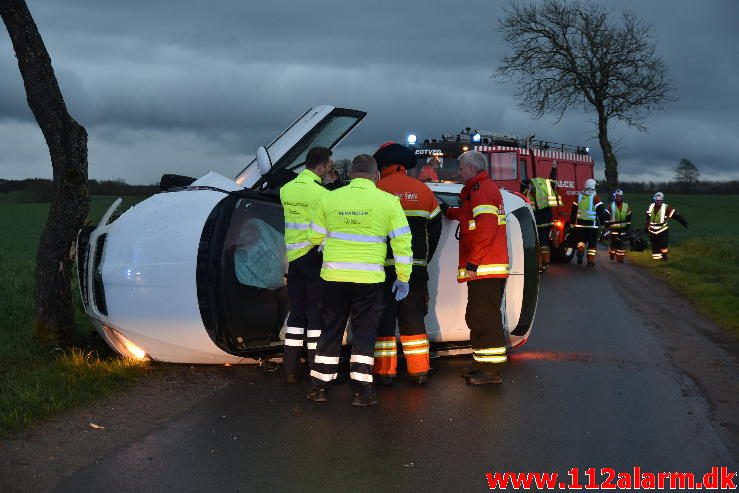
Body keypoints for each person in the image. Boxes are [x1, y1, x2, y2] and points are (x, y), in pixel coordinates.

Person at [307, 154, 413, 406]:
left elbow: (313, 236)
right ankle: (362, 391)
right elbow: (402, 243)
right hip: (369, 280)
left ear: (351, 174)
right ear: (376, 176)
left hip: (333, 278)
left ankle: (320, 387)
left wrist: (327, 242)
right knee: (364, 331)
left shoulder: (329, 198)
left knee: (331, 329)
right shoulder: (388, 202)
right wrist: (403, 277)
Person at [373, 142, 442, 385]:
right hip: (414, 269)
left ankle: (385, 372)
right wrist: (423, 260)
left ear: (383, 166)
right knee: (413, 319)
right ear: (404, 166)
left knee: (384, 320)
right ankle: (419, 371)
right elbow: (435, 231)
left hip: (381, 270)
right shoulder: (423, 191)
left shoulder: (376, 190)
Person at [444, 150, 509, 385]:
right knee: (478, 316)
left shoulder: (481, 191)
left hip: (486, 266)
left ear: (471, 168)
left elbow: (486, 229)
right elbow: (468, 217)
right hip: (487, 267)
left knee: (485, 318)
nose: (459, 172)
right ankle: (481, 363)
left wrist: (474, 261)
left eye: (461, 168)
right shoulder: (477, 191)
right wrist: (447, 211)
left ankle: (491, 371)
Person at [279, 147, 334, 382]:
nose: (328, 170)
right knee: (315, 313)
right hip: (313, 256)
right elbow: (326, 227)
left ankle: (290, 369)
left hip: (293, 259)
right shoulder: (322, 194)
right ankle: (314, 367)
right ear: (320, 167)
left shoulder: (286, 190)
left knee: (296, 314)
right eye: (328, 167)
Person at [522, 161, 561, 271]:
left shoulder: (527, 192)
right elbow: (552, 181)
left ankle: (537, 264)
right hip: (546, 222)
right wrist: (553, 168)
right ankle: (545, 263)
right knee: (544, 243)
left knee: (536, 243)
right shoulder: (546, 191)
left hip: (534, 223)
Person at [570, 178, 608, 267]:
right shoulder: (596, 198)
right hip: (592, 226)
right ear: (593, 187)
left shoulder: (579, 197)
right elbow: (600, 212)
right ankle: (590, 261)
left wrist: (572, 222)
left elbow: (573, 211)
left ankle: (580, 252)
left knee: (581, 241)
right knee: (592, 244)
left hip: (579, 225)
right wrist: (602, 224)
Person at [646, 192, 687, 261]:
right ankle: (657, 259)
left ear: (662, 200)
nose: (658, 201)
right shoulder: (651, 206)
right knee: (654, 245)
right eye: (657, 200)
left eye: (660, 200)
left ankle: (664, 256)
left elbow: (675, 215)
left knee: (663, 244)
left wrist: (682, 221)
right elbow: (648, 217)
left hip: (662, 229)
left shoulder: (666, 207)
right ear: (654, 199)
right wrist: (646, 226)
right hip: (652, 229)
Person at [606, 189, 632, 263]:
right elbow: (606, 215)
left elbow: (629, 215)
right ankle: (612, 254)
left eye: (619, 196)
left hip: (623, 228)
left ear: (622, 197)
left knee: (621, 244)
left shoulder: (626, 206)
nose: (618, 198)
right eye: (616, 196)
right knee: (613, 243)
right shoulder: (611, 205)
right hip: (613, 228)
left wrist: (628, 226)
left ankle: (620, 259)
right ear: (614, 197)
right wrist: (607, 224)